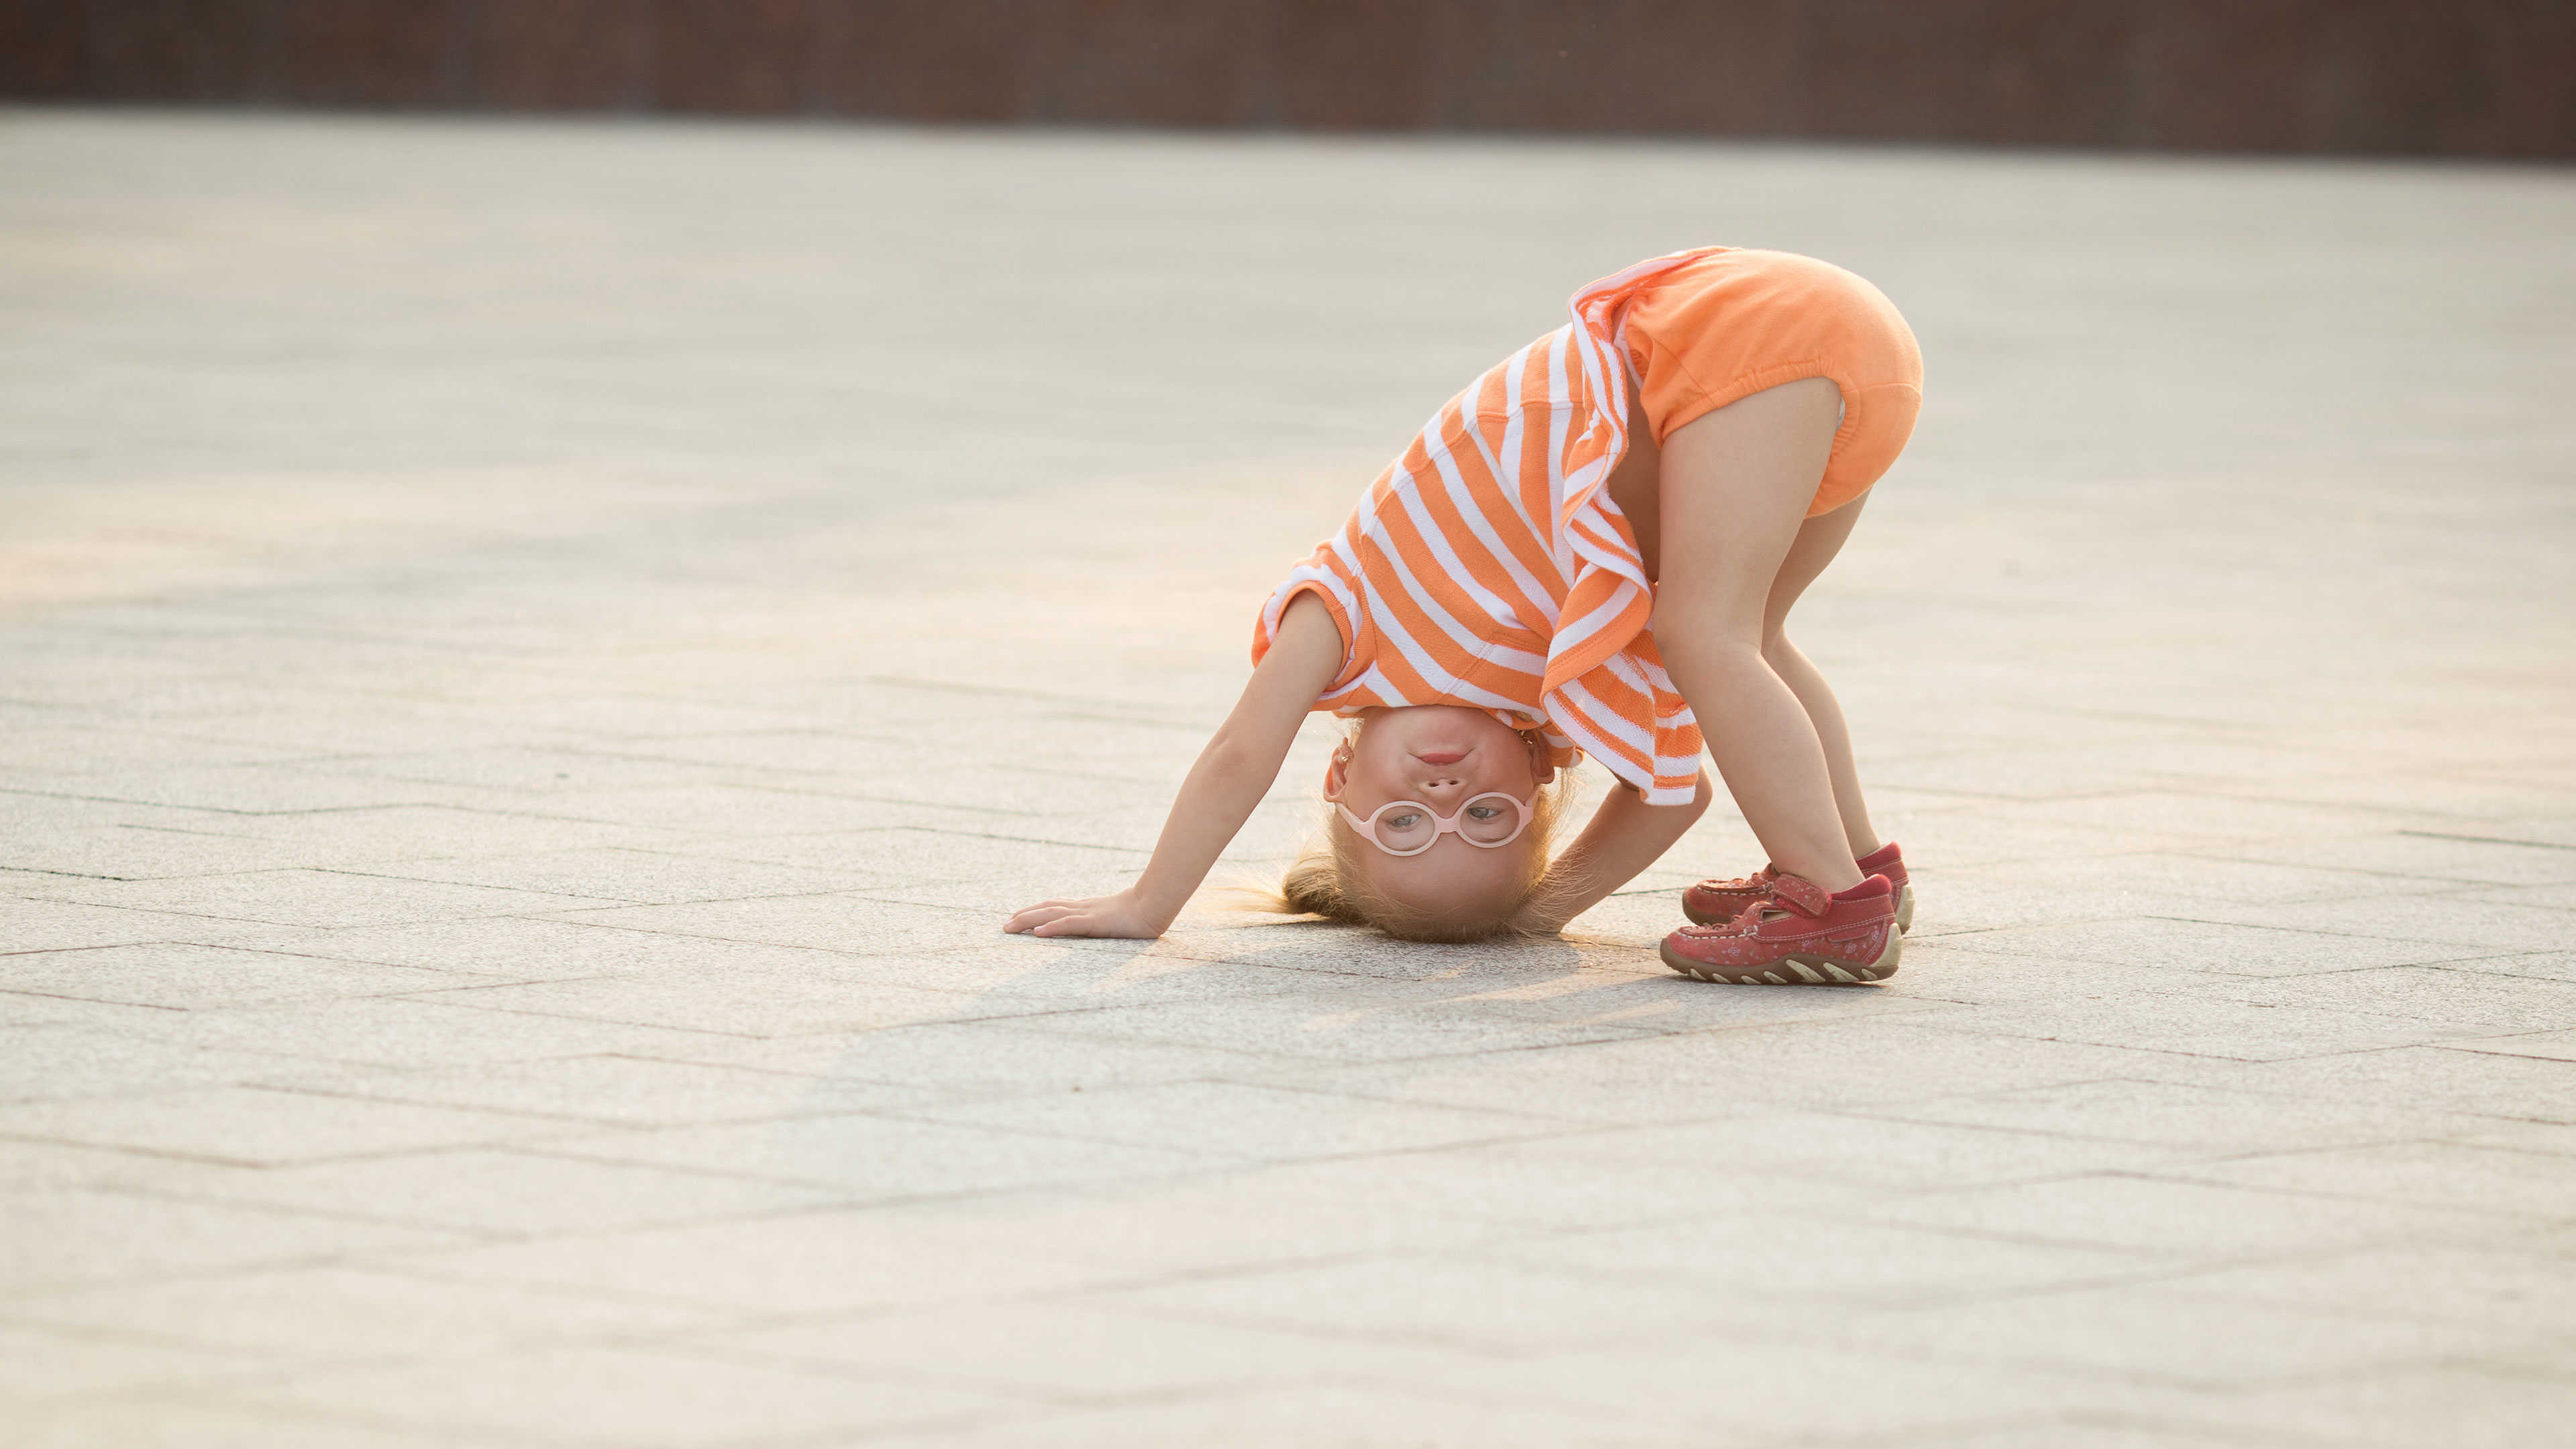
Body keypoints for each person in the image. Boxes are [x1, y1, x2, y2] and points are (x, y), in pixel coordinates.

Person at [1006, 246, 1921, 984]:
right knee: (1743, 638)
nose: (1441, 800)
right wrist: (1543, 913)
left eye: (1400, 825)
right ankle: (1860, 864)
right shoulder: (1563, 674)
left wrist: (1150, 903)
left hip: (1728, 337)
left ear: (1340, 773)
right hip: (1810, 365)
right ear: (1530, 775)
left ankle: (1835, 904)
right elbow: (1675, 789)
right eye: (1487, 818)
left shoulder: (1345, 623)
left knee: (1706, 631)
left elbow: (1241, 751)